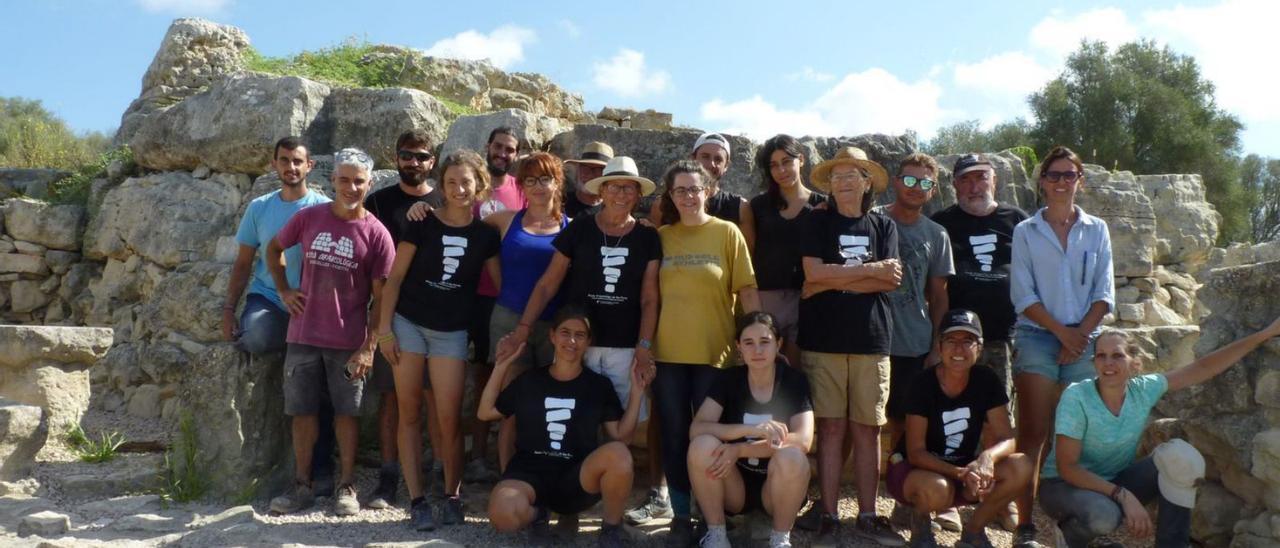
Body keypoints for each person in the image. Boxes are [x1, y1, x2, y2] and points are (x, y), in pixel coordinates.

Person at [1039, 317, 1280, 547]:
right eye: (1101, 356)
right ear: (1094, 362)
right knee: (1104, 516)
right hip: (1063, 486)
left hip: (1112, 481)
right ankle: (1073, 537)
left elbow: (1203, 366)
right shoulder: (1077, 396)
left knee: (1181, 458)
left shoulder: (1143, 390)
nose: (1108, 363)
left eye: (1117, 356)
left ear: (1134, 363)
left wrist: (1264, 334)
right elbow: (1067, 467)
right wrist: (1122, 495)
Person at [265, 148, 395, 517]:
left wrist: (370, 347)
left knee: (347, 414)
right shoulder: (309, 218)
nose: (351, 187)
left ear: (369, 184)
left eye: (358, 181)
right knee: (302, 413)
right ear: (333, 181)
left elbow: (382, 299)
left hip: (348, 341)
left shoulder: (377, 234)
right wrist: (284, 290)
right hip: (303, 334)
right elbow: (274, 249)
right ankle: (302, 485)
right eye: (344, 179)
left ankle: (346, 485)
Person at [378, 149, 501, 530]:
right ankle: (417, 501)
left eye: (466, 182)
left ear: (478, 185)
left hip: (452, 332)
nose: (459, 189)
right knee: (410, 412)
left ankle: (452, 495)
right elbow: (394, 279)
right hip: (408, 324)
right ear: (442, 187)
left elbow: (501, 286)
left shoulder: (486, 234)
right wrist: (383, 330)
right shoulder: (422, 223)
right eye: (451, 182)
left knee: (449, 420)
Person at [795, 146, 905, 546]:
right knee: (830, 428)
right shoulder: (816, 223)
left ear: (866, 182)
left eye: (851, 175)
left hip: (871, 339)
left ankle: (868, 514)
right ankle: (827, 514)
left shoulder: (883, 227)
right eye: (837, 176)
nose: (843, 182)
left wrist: (832, 279)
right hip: (823, 339)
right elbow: (811, 272)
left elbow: (890, 280)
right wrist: (867, 271)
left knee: (868, 430)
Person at [653, 159, 760, 546]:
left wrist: (757, 338)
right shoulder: (661, 236)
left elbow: (747, 290)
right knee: (674, 435)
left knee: (714, 440)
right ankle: (682, 516)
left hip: (716, 355)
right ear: (670, 195)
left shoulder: (728, 233)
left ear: (709, 191)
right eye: (679, 190)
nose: (687, 196)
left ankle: (712, 514)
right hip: (668, 356)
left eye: (694, 189)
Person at [1010, 146, 1115, 537]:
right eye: (1053, 175)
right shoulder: (1026, 232)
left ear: (1079, 181)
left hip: (1083, 337)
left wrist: (1079, 336)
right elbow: (1022, 294)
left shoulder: (1097, 229)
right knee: (1034, 433)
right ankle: (1025, 524)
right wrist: (1062, 333)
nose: (1060, 182)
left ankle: (1075, 522)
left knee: (1075, 435)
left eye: (1068, 175)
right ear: (1042, 181)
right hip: (1039, 335)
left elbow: (1104, 291)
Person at [222, 136, 336, 493]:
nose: (291, 167)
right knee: (254, 337)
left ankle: (321, 470)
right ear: (274, 164)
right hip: (269, 299)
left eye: (298, 161)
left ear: (310, 166)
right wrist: (228, 309)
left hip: (312, 308)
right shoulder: (259, 208)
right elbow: (243, 263)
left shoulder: (325, 208)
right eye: (284, 160)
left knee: (322, 386)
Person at [480, 307, 649, 548]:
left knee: (620, 454)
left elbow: (622, 437)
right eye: (565, 332)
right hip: (528, 475)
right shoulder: (530, 380)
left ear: (588, 342)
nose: (571, 340)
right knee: (501, 513)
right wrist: (500, 366)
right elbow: (485, 412)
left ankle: (612, 529)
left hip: (575, 478)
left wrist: (637, 391)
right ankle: (538, 515)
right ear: (552, 336)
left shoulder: (598, 386)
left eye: (580, 335)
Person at [516, 154, 661, 426]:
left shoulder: (648, 237)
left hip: (625, 346)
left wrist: (643, 346)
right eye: (613, 186)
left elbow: (650, 298)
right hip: (579, 343)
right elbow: (549, 283)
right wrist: (524, 327)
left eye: (628, 187)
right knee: (576, 421)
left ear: (638, 194)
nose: (620, 193)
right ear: (602, 190)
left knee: (624, 421)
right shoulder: (581, 227)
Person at [887, 309, 1036, 548]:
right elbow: (916, 452)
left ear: (979, 347)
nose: (959, 349)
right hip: (915, 471)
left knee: (1021, 465)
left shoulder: (986, 380)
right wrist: (960, 473)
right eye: (951, 341)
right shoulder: (923, 383)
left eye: (967, 341)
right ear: (939, 346)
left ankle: (974, 531)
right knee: (939, 489)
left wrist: (987, 458)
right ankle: (920, 526)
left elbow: (1007, 438)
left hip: (965, 470)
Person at [362, 129, 445, 510]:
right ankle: (388, 476)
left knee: (434, 398)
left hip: (436, 314)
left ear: (433, 162)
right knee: (390, 398)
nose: (414, 162)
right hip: (390, 312)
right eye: (407, 155)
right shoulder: (378, 202)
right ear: (396, 158)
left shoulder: (445, 202)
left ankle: (441, 478)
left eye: (422, 156)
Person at [872, 153, 957, 528]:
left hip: (914, 343)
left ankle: (902, 500)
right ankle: (864, 503)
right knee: (863, 424)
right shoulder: (872, 218)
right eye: (910, 180)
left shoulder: (936, 235)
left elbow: (939, 296)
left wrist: (937, 348)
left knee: (906, 428)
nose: (916, 188)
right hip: (869, 339)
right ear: (895, 180)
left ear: (933, 190)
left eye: (924, 183)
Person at [689, 311, 814, 548]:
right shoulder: (729, 379)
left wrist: (741, 450)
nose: (757, 350)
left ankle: (780, 538)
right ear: (739, 347)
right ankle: (717, 535)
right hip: (734, 488)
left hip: (776, 488)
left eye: (765, 342)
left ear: (778, 344)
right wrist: (754, 429)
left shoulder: (793, 381)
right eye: (749, 343)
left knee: (793, 456)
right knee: (701, 445)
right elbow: (697, 428)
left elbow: (803, 439)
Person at [484, 152, 572, 471]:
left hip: (554, 326)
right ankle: (509, 475)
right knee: (511, 406)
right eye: (530, 180)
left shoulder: (570, 227)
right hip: (509, 319)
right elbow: (461, 229)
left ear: (557, 182)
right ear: (520, 185)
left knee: (551, 404)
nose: (538, 186)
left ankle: (546, 474)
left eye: (545, 178)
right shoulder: (504, 220)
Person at [930, 154, 1028, 396]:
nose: (974, 187)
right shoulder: (940, 224)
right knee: (953, 413)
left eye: (981, 178)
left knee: (998, 416)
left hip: (1003, 337)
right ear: (954, 185)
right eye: (965, 180)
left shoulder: (1019, 222)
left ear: (994, 181)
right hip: (954, 340)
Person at [748, 134, 826, 369]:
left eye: (786, 161)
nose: (781, 170)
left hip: (809, 298)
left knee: (800, 373)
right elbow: (748, 252)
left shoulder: (823, 204)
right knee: (767, 369)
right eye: (773, 165)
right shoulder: (758, 206)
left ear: (800, 160)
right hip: (767, 297)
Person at [562, 141, 614, 218]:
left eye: (598, 170)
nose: (590, 174)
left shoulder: (614, 212)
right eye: (585, 168)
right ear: (578, 169)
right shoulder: (559, 204)